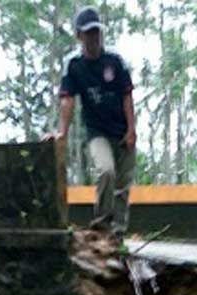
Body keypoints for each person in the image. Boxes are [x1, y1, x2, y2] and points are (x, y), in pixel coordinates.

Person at [44, 6, 137, 238]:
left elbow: (127, 96)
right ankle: (102, 225)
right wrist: (62, 133)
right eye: (88, 33)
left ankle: (118, 234)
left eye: (97, 32)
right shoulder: (74, 65)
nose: (94, 37)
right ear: (79, 36)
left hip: (122, 129)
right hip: (97, 132)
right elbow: (67, 100)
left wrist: (131, 130)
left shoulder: (115, 61)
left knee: (123, 185)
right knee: (106, 171)